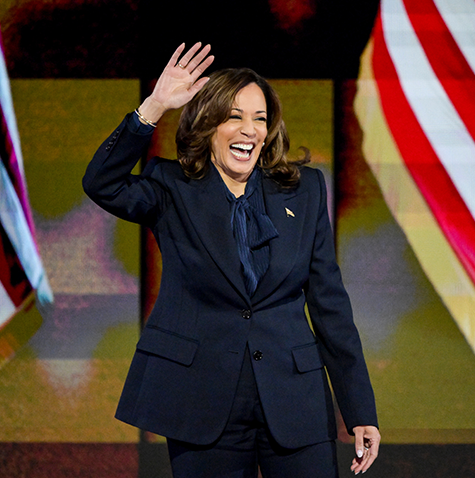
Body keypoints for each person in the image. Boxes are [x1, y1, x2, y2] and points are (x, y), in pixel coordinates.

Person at [83, 42, 380, 477]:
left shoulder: (305, 190)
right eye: (235, 117)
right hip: (201, 401)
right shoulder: (171, 187)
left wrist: (359, 408)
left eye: (259, 119)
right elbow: (101, 183)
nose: (250, 130)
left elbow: (330, 305)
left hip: (294, 399)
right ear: (208, 125)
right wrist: (152, 108)